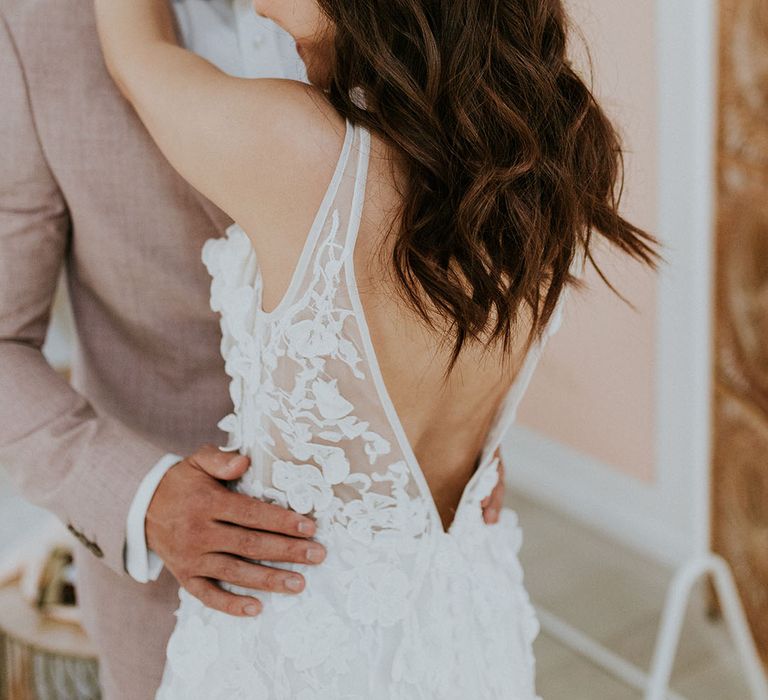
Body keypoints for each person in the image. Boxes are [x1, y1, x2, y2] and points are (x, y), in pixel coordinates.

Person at [92, 0, 661, 697]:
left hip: (301, 647)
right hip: (466, 627)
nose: (256, 8)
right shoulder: (556, 158)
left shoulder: (296, 146)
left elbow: (137, 56)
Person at [0, 0, 506, 696]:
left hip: (409, 580)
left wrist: (456, 427)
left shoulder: (426, 18)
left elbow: (455, 245)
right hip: (181, 605)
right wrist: (138, 498)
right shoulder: (32, 25)